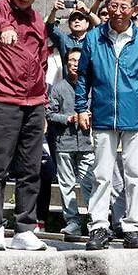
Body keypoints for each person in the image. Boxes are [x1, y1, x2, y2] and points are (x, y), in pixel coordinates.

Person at [75, 0, 138, 250]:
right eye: (113, 6)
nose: (118, 12)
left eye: (124, 6)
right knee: (102, 174)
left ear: (134, 10)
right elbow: (83, 77)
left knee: (136, 174)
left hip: (136, 115)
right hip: (101, 114)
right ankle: (99, 226)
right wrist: (81, 107)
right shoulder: (93, 38)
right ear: (106, 7)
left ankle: (133, 227)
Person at [0, 0, 48, 251]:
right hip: (3, 100)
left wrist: (43, 100)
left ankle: (24, 227)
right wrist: (6, 28)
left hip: (34, 102)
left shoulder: (37, 20)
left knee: (32, 168)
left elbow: (43, 60)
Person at [46, 47, 94, 236]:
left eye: (78, 61)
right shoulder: (58, 88)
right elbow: (49, 114)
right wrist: (67, 118)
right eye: (71, 61)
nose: (75, 64)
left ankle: (94, 221)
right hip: (64, 143)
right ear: (66, 64)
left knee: (89, 182)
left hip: (86, 143)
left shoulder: (91, 86)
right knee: (66, 185)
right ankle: (72, 221)